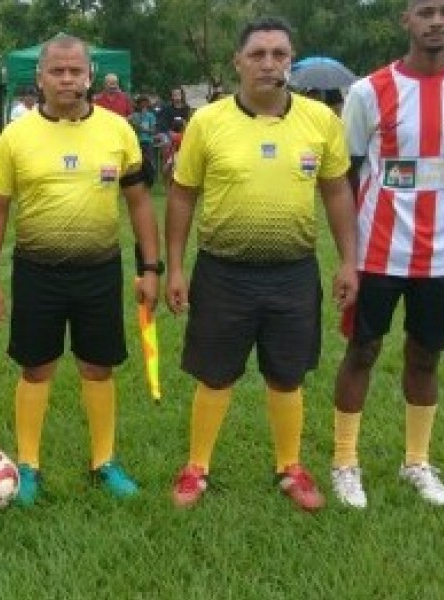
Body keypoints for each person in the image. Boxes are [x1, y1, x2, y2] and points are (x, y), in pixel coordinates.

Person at [166, 16, 358, 512]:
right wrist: (175, 267)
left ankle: (290, 467)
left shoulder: (321, 122)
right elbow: (182, 197)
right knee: (216, 374)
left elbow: (337, 193)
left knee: (287, 375)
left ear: (290, 62)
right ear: (238, 61)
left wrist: (348, 262)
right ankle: (196, 468)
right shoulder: (208, 122)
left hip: (293, 271)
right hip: (222, 270)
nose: (269, 63)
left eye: (279, 54)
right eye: (258, 54)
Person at [332, 0, 444, 508]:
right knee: (361, 351)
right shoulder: (368, 91)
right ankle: (344, 463)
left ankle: (417, 462)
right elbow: (346, 173)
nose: (435, 21)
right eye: (425, 11)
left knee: (425, 357)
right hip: (377, 253)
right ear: (406, 19)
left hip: (443, 256)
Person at [0, 33, 161, 507]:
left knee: (97, 366)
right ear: (39, 77)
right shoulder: (16, 136)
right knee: (36, 367)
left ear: (90, 75)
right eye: (56, 71)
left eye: (75, 70)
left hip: (100, 270)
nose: (67, 79)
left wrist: (151, 267)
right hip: (37, 271)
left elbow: (140, 202)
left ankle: (104, 461)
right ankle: (28, 464)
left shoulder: (118, 130)